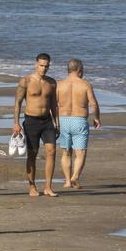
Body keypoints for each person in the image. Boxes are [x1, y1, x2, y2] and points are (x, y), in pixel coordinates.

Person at [13, 53, 59, 197]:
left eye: (46, 66)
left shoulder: (51, 82)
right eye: (41, 65)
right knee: (32, 154)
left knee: (52, 151)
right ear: (36, 64)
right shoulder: (25, 81)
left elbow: (53, 104)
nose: (44, 69)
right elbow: (18, 103)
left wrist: (57, 122)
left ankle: (48, 187)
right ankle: (32, 186)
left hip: (47, 121)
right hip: (31, 121)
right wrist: (16, 123)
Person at [56, 59, 100, 189]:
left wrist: (55, 121)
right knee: (80, 153)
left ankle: (67, 181)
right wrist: (96, 118)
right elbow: (93, 103)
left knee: (66, 152)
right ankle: (75, 176)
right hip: (79, 120)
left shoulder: (59, 85)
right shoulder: (85, 84)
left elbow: (53, 104)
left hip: (63, 120)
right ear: (80, 71)